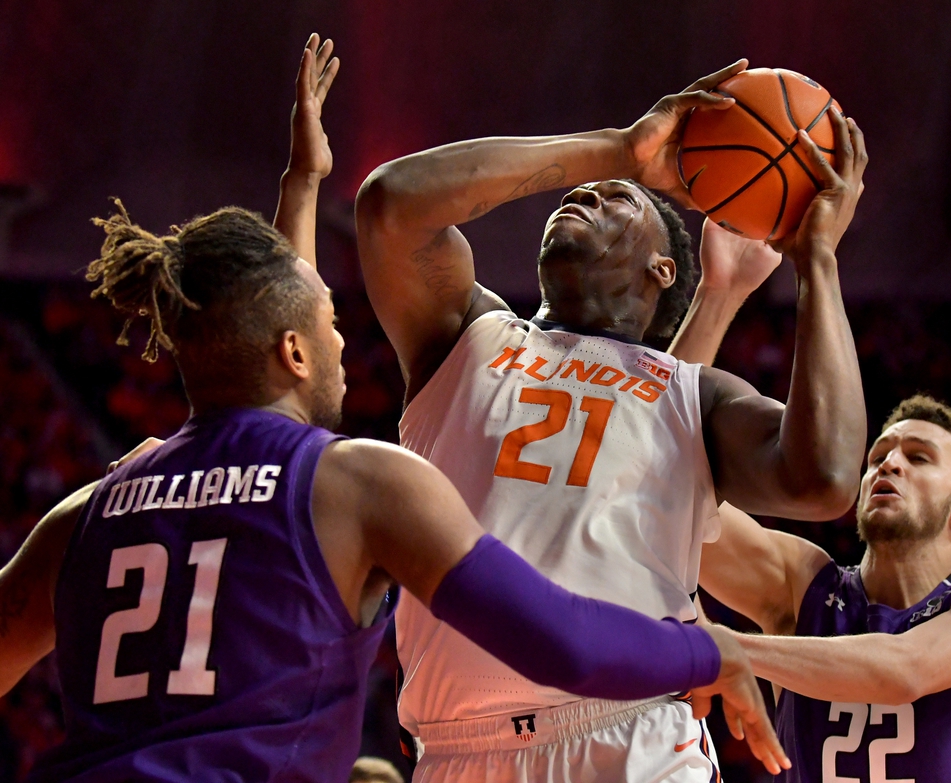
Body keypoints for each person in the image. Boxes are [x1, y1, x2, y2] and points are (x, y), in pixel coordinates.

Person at [0, 37, 785, 783]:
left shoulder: (87, 512)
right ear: (296, 351)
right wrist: (704, 653)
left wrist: (301, 188)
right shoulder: (355, 484)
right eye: (334, 327)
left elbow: (273, 346)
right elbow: (563, 640)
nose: (348, 346)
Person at [355, 58, 868, 781]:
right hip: (458, 748)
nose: (586, 191)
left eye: (618, 197)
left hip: (633, 735)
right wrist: (620, 151)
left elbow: (826, 476)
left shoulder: (696, 395)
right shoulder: (464, 336)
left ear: (661, 269)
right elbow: (390, 203)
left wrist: (816, 261)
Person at [668, 269, 951, 781]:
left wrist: (723, 647)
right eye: (879, 456)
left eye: (919, 458)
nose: (888, 465)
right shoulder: (802, 585)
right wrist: (719, 292)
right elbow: (661, 493)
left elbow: (904, 670)